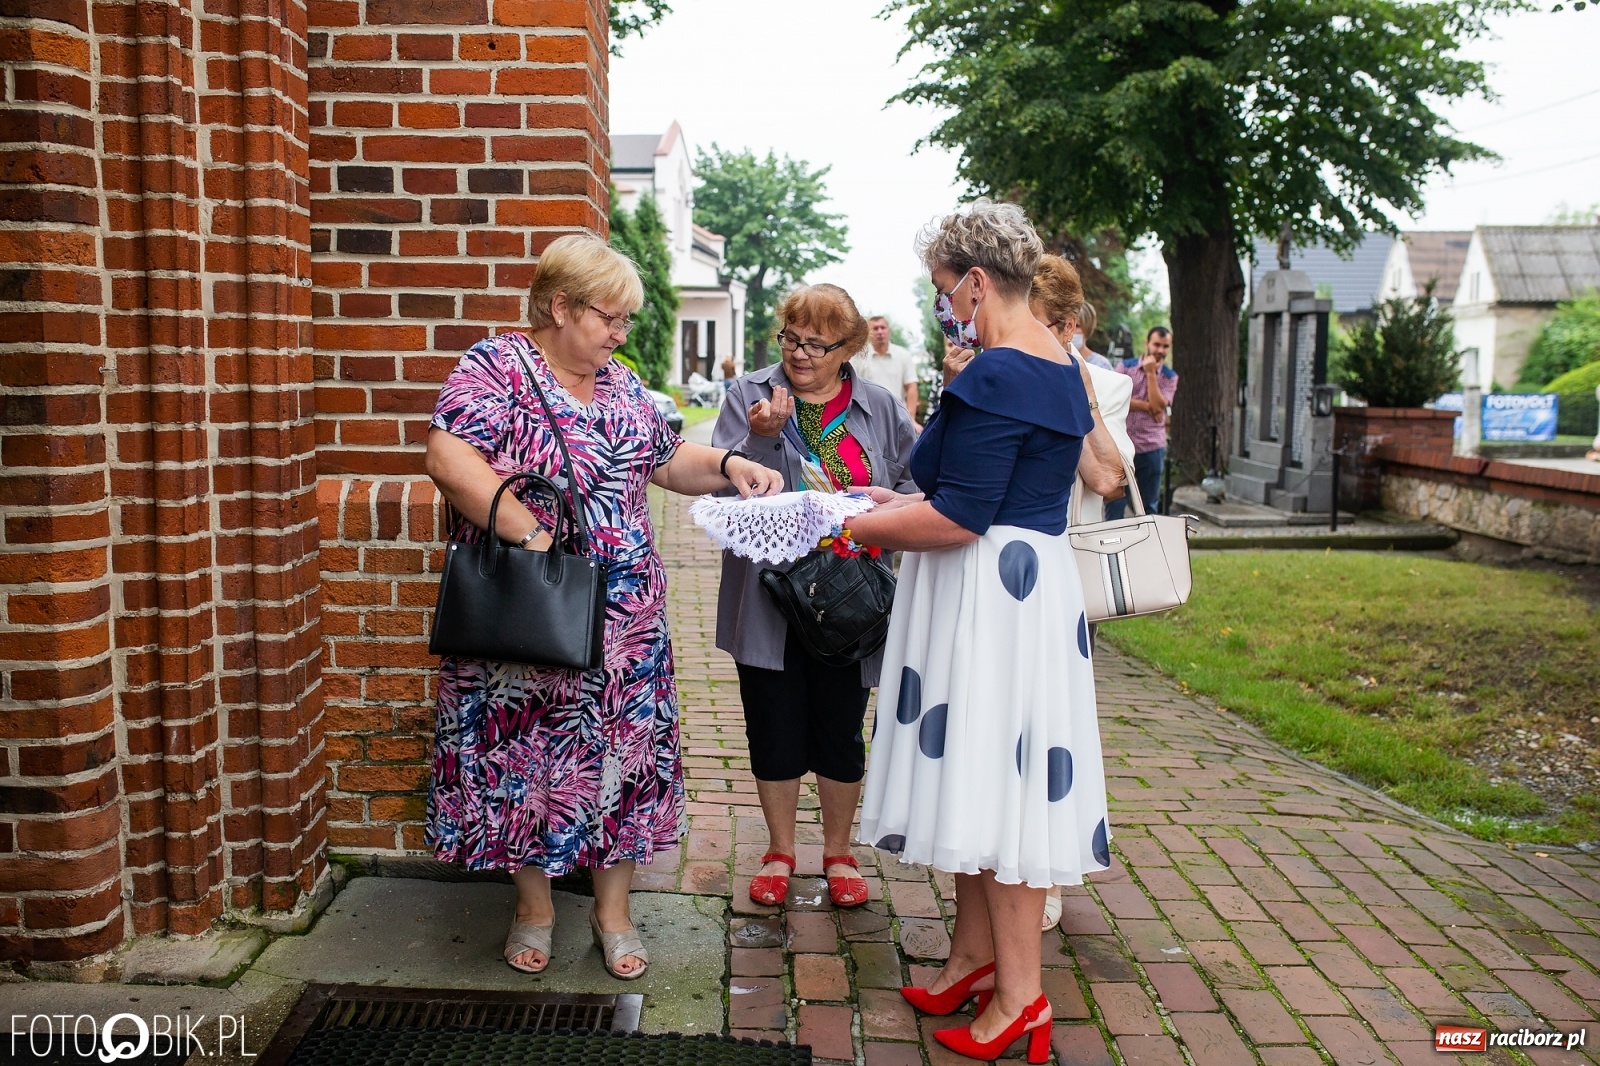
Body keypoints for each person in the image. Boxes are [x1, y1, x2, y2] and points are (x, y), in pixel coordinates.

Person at [424, 235, 784, 981]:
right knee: (522, 759)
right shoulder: (495, 368)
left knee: (621, 756)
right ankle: (534, 907)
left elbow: (663, 458)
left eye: (624, 321)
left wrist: (727, 465)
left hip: (625, 622)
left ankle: (613, 911)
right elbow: (448, 458)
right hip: (533, 608)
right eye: (611, 317)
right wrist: (532, 537)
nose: (622, 333)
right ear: (560, 305)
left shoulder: (619, 384)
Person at [849, 201, 1124, 1063]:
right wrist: (894, 504)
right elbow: (988, 490)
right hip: (1030, 590)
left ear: (976, 280)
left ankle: (1020, 998)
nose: (947, 309)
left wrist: (844, 526)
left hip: (985, 596)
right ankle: (974, 959)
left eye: (946, 291)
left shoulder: (997, 370)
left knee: (1000, 790)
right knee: (988, 772)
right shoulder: (1058, 364)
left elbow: (963, 518)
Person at [714, 284, 918, 910]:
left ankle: (838, 852)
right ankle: (779, 850)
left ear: (849, 347)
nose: (800, 355)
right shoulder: (747, 396)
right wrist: (762, 441)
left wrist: (880, 516)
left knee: (839, 726)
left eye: (816, 344)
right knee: (772, 724)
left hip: (851, 597)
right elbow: (725, 492)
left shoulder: (880, 406)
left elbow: (913, 484)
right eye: (791, 339)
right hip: (771, 593)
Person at [1104, 326, 1177, 519]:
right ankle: (1113, 548)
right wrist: (1148, 407)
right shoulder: (1125, 367)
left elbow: (1159, 406)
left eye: (1165, 346)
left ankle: (1147, 548)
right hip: (1121, 446)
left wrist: (1151, 373)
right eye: (1156, 345)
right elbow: (1116, 399)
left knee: (1148, 507)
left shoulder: (1170, 376)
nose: (1160, 350)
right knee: (1115, 504)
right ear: (1147, 343)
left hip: (1151, 447)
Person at [851, 315, 922, 429]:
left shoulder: (903, 355)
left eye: (882, 327)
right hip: (867, 419)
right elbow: (851, 387)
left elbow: (911, 387)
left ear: (889, 331)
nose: (880, 332)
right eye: (875, 328)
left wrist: (911, 419)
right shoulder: (858, 357)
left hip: (898, 418)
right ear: (868, 333)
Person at [1075, 300, 1114, 370]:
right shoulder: (1054, 362)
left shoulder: (1101, 365)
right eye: (1068, 325)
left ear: (1088, 328)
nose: (1071, 330)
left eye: (1077, 326)